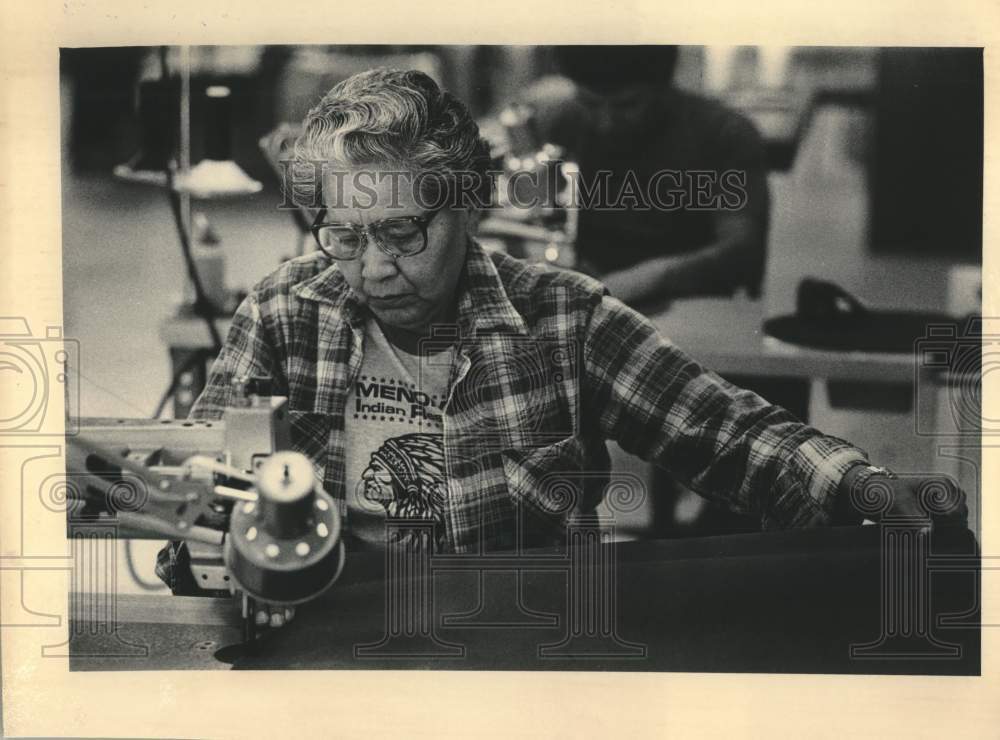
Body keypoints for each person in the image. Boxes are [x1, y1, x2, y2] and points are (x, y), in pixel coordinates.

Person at [157, 68, 965, 623]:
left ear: (469, 206)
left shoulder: (562, 320)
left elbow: (732, 437)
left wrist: (860, 487)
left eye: (402, 233)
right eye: (345, 236)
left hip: (514, 644)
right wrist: (191, 525)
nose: (373, 268)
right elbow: (199, 499)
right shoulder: (282, 312)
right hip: (328, 637)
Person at [509, 45, 770, 307]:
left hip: (691, 309)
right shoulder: (565, 121)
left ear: (662, 89)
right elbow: (540, 219)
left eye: (626, 106)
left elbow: (743, 252)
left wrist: (650, 277)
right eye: (590, 103)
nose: (605, 122)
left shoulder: (724, 134)